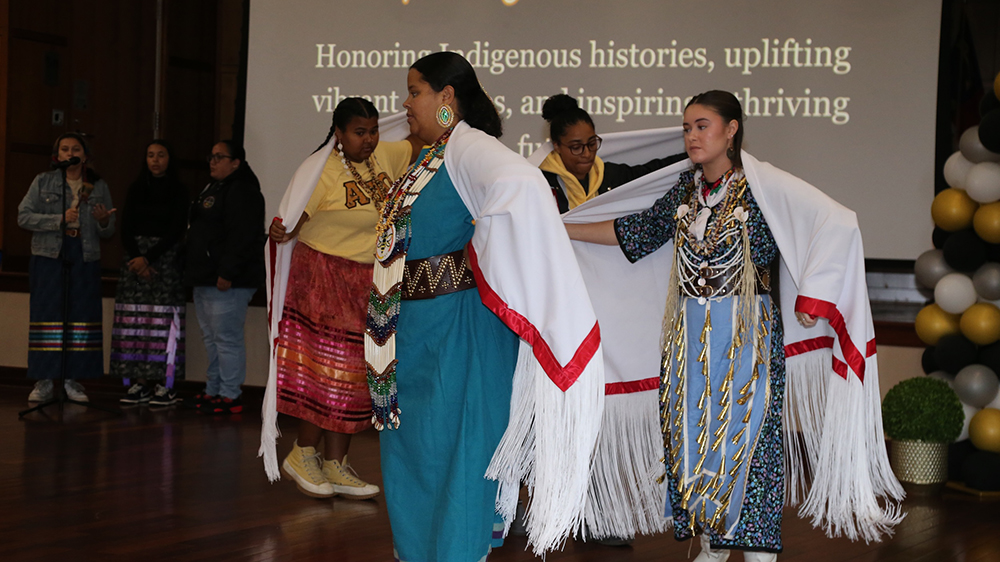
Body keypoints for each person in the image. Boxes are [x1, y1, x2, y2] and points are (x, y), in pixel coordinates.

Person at [566, 90, 903, 561]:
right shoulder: (687, 191)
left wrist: (813, 295)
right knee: (695, 438)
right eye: (687, 127)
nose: (691, 136)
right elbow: (633, 234)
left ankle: (758, 552)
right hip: (689, 339)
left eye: (702, 125)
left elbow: (832, 222)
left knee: (751, 439)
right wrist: (560, 228)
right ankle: (714, 543)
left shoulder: (763, 188)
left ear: (731, 129)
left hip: (748, 337)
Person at [364, 52, 605, 562]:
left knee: (457, 451)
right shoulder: (432, 155)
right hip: (416, 333)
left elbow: (519, 186)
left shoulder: (467, 146)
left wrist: (490, 261)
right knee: (417, 452)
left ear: (446, 97)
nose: (406, 103)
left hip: (457, 329)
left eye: (415, 91)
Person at [265, 98, 415, 500]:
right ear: (339, 133)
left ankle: (334, 463)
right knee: (328, 373)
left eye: (373, 131)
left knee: (355, 376)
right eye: (358, 133)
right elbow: (293, 218)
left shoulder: (387, 154)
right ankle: (302, 452)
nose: (368, 140)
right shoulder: (322, 171)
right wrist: (282, 231)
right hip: (323, 279)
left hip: (367, 279)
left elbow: (424, 143)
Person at [18, 133, 116, 403]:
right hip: (49, 255)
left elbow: (108, 230)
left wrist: (103, 221)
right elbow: (23, 215)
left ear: (85, 155)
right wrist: (57, 219)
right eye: (64, 149)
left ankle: (73, 380)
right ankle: (45, 379)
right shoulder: (43, 181)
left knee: (81, 316)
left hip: (84, 256)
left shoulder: (98, 185)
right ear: (57, 155)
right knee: (47, 316)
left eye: (75, 149)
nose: (69, 152)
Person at [185, 140, 265, 415]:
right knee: (210, 337)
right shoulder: (214, 187)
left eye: (219, 157)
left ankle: (231, 394)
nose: (212, 161)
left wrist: (227, 272)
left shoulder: (243, 191)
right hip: (205, 276)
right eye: (212, 156)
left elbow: (241, 237)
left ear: (236, 163)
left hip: (228, 280)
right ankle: (214, 390)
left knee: (226, 339)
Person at [112, 140, 189, 407]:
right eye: (150, 155)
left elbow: (177, 229)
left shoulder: (179, 190)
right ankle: (138, 384)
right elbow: (125, 227)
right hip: (134, 261)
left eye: (161, 155)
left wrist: (149, 258)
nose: (155, 160)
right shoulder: (136, 188)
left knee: (162, 325)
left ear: (170, 159)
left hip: (164, 260)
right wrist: (137, 258)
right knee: (136, 324)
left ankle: (164, 385)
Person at [540, 93, 686, 213]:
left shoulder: (611, 176)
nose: (587, 153)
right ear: (557, 145)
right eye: (576, 147)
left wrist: (694, 157)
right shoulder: (541, 183)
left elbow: (655, 171)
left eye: (592, 144)